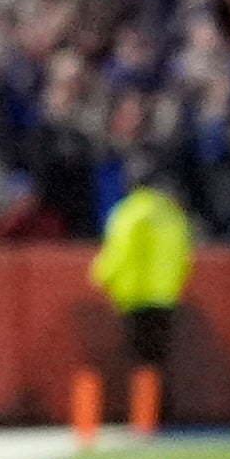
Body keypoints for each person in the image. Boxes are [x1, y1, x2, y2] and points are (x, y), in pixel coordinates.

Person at [91, 159, 199, 407]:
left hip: (135, 295)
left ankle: (144, 413)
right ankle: (161, 410)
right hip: (165, 296)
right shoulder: (171, 213)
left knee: (139, 359)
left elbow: (119, 253)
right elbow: (184, 256)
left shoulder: (128, 213)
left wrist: (102, 276)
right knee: (159, 359)